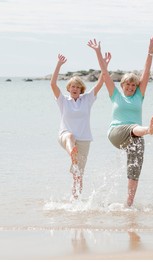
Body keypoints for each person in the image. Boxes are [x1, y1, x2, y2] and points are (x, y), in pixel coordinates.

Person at [88, 36, 153, 207]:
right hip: (117, 133)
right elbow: (105, 74)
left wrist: (150, 51)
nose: (130, 87)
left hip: (135, 137)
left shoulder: (139, 96)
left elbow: (147, 72)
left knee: (134, 170)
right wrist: (98, 51)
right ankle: (149, 130)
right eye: (127, 85)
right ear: (122, 85)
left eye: (133, 85)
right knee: (135, 128)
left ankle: (129, 204)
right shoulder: (115, 95)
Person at [50, 52, 111, 199]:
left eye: (77, 86)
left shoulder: (87, 99)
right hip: (65, 136)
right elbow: (52, 84)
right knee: (70, 136)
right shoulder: (63, 100)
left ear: (81, 89)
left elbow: (101, 82)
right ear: (68, 88)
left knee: (78, 175)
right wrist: (59, 64)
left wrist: (105, 65)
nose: (75, 88)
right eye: (72, 86)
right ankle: (73, 153)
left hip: (84, 140)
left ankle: (76, 201)